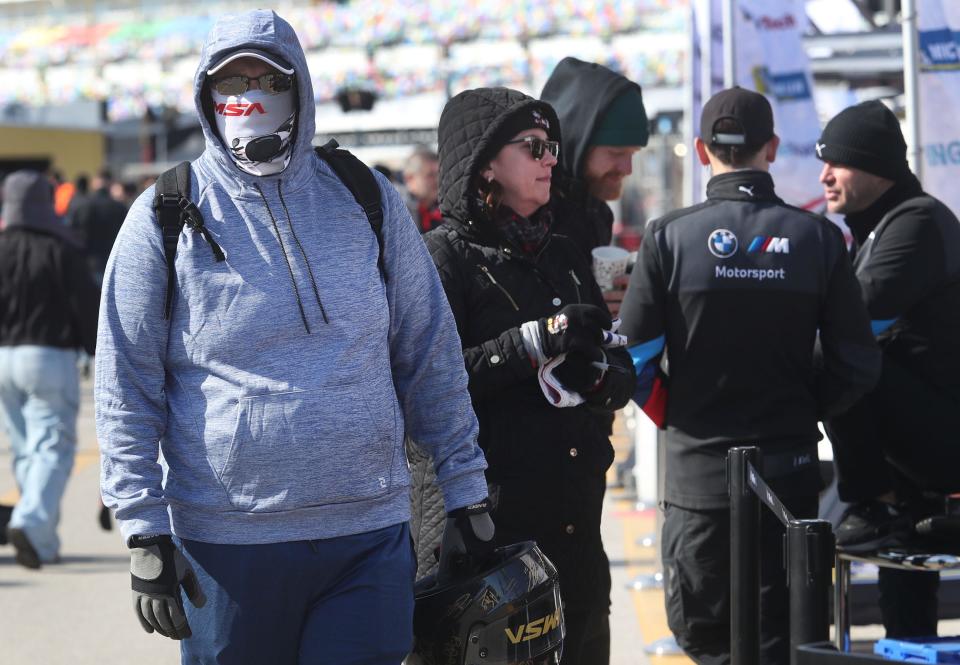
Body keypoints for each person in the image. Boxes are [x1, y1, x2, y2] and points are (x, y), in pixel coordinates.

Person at [96, 10, 491, 664]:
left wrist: (465, 489)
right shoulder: (165, 216)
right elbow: (126, 381)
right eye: (231, 80)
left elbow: (430, 352)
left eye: (265, 76)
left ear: (298, 86)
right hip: (229, 547)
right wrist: (144, 530)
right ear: (206, 96)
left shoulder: (364, 197)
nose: (248, 93)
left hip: (367, 536)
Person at [618, 87, 881, 665]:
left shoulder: (667, 236)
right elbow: (857, 363)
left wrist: (679, 417)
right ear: (772, 148)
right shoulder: (818, 237)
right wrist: (807, 408)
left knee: (706, 641)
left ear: (700, 149)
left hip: (698, 480)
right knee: (786, 641)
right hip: (789, 477)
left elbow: (632, 363)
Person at [422, 86, 637, 665]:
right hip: (490, 535)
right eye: (535, 147)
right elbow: (429, 386)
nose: (551, 161)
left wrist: (599, 377)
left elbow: (619, 365)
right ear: (486, 161)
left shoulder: (564, 251)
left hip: (577, 526)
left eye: (554, 149)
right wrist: (532, 343)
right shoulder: (443, 258)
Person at [816, 100, 960, 638]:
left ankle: (872, 502)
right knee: (905, 604)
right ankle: (885, 506)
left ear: (877, 168)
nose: (824, 176)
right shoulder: (874, 228)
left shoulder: (917, 223)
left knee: (843, 357)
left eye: (837, 164)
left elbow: (850, 325)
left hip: (944, 439)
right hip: (919, 445)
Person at [0, 170, 99, 569]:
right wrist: (97, 353)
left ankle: (43, 542)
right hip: (48, 357)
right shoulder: (62, 250)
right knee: (53, 448)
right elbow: (87, 307)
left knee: (25, 448)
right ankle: (31, 521)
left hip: (3, 358)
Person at [541, 57, 649, 315]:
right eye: (615, 152)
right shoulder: (531, 210)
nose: (627, 169)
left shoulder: (597, 212)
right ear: (575, 143)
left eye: (633, 153)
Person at [68, 168, 128, 285]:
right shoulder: (119, 207)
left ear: (95, 182)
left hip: (87, 262)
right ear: (111, 183)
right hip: (112, 262)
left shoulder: (82, 205)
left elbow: (72, 234)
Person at [402, 146, 442, 233]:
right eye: (430, 175)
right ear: (410, 178)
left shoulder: (447, 208)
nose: (437, 180)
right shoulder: (397, 213)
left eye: (439, 174)